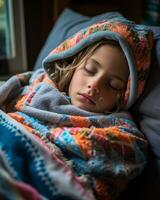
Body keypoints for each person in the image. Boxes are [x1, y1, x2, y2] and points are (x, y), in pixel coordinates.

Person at [0, 17, 153, 200]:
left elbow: (125, 158)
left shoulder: (123, 134)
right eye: (89, 69)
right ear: (73, 66)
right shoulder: (37, 84)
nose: (94, 85)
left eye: (112, 85)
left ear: (125, 95)